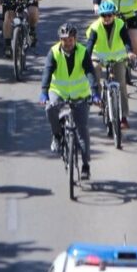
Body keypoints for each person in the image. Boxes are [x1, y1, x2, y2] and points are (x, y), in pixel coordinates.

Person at [39, 23, 97, 180]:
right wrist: (44, 92)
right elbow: (47, 72)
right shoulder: (54, 53)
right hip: (59, 91)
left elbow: (90, 72)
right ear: (60, 40)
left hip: (80, 95)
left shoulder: (82, 52)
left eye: (70, 40)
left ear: (75, 39)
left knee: (82, 130)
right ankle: (57, 136)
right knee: (50, 108)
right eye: (64, 40)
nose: (68, 43)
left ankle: (85, 166)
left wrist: (95, 92)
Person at [85, 0, 137, 127]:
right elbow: (90, 45)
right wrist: (85, 59)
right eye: (103, 15)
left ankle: (123, 117)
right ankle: (98, 96)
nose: (107, 18)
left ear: (114, 15)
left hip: (118, 58)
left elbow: (126, 40)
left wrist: (129, 52)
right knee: (95, 69)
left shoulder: (120, 24)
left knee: (122, 85)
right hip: (99, 57)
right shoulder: (95, 27)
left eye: (109, 15)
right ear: (100, 16)